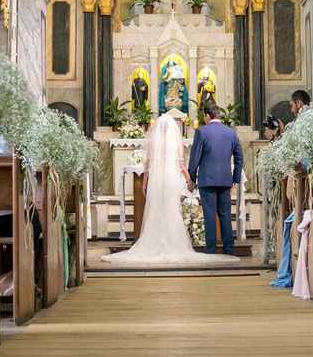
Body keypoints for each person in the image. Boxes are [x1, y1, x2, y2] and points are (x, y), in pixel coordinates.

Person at [101, 112, 237, 265]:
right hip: (171, 179)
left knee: (156, 209)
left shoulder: (154, 141)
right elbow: (181, 165)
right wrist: (190, 181)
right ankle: (173, 244)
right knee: (172, 209)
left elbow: (148, 164)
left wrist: (145, 183)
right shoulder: (175, 142)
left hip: (157, 179)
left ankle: (153, 243)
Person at [188, 103, 245, 255]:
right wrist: (235, 179)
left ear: (207, 116)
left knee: (209, 214)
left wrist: (191, 179)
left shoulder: (202, 131)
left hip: (207, 179)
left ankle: (211, 249)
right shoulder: (231, 132)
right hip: (225, 179)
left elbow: (195, 158)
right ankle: (228, 247)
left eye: (204, 117)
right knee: (225, 214)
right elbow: (239, 157)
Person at [269, 91, 310, 287]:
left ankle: (295, 256)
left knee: (292, 215)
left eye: (293, 106)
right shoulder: (310, 121)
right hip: (310, 181)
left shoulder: (303, 123)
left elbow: (296, 154)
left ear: (300, 104)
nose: (292, 110)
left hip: (305, 183)